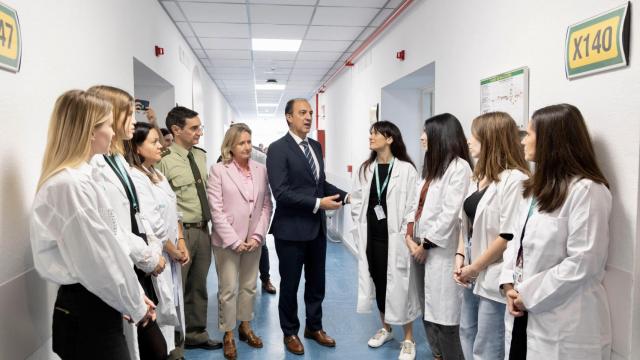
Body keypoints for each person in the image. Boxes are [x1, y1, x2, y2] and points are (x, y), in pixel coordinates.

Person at [31, 90, 155, 359]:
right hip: (86, 309)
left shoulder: (85, 178)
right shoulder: (69, 185)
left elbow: (111, 238)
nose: (113, 133)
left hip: (99, 301)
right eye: (109, 125)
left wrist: (132, 294)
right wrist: (134, 302)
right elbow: (97, 260)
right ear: (90, 132)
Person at [500, 104, 612, 359]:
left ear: (551, 141)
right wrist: (509, 285)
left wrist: (526, 293)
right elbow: (516, 242)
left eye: (529, 134)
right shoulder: (534, 189)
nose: (522, 142)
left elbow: (584, 262)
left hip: (562, 319)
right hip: (521, 310)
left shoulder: (587, 191)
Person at [87, 85, 168, 360]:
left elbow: (137, 213)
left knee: (152, 347)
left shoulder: (117, 159)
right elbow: (113, 229)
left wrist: (154, 251)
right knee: (151, 349)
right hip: (124, 264)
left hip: (138, 264)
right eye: (128, 114)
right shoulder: (95, 167)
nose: (134, 121)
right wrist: (148, 257)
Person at [266, 98, 348, 355]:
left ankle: (314, 327)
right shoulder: (278, 149)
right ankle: (290, 332)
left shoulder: (315, 146)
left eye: (310, 113)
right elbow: (281, 192)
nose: (308, 117)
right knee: (290, 284)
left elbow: (319, 183)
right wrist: (317, 203)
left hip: (316, 229)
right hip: (290, 231)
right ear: (289, 117)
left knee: (316, 282)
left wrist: (346, 196)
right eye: (302, 112)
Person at [452, 112, 529, 360]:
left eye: (474, 135)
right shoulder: (478, 176)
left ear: (490, 139)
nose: (468, 141)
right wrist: (460, 257)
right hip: (471, 270)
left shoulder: (515, 180)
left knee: (487, 344)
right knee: (466, 331)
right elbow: (466, 224)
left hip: (493, 273)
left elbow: (508, 235)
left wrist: (474, 267)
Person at [350, 121, 421, 360]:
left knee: (402, 286)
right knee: (379, 282)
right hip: (371, 237)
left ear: (390, 138)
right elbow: (358, 200)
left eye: (375, 133)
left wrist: (404, 233)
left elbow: (412, 206)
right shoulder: (366, 169)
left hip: (396, 239)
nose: (370, 137)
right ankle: (387, 329)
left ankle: (409, 338)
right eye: (370, 132)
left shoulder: (406, 170)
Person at [156, 106, 222, 351]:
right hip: (180, 233)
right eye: (194, 128)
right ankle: (175, 342)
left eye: (200, 127)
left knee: (199, 285)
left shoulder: (201, 156)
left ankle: (197, 333)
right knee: (176, 289)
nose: (199, 133)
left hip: (203, 229)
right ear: (176, 130)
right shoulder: (163, 162)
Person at [206, 123, 273, 359]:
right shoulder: (218, 170)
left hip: (253, 240)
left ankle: (245, 326)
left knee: (248, 286)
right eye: (241, 143)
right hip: (227, 242)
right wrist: (234, 241)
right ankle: (229, 334)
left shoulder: (261, 170)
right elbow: (216, 210)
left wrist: (258, 235)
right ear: (230, 146)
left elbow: (266, 205)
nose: (246, 147)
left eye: (249, 141)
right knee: (227, 289)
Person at [126, 122, 190, 360]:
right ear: (138, 148)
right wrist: (173, 250)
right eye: (153, 142)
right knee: (162, 310)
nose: (160, 145)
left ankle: (173, 352)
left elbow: (175, 212)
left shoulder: (157, 173)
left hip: (172, 251)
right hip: (160, 255)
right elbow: (152, 224)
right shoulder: (136, 177)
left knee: (172, 307)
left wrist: (181, 241)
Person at [411, 113, 471, 360]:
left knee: (446, 316)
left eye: (426, 132)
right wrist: (410, 236)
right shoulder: (432, 167)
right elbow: (417, 206)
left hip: (440, 252)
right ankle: (437, 355)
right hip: (419, 247)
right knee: (428, 310)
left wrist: (425, 243)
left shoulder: (459, 168)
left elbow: (450, 214)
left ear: (440, 135)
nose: (421, 137)